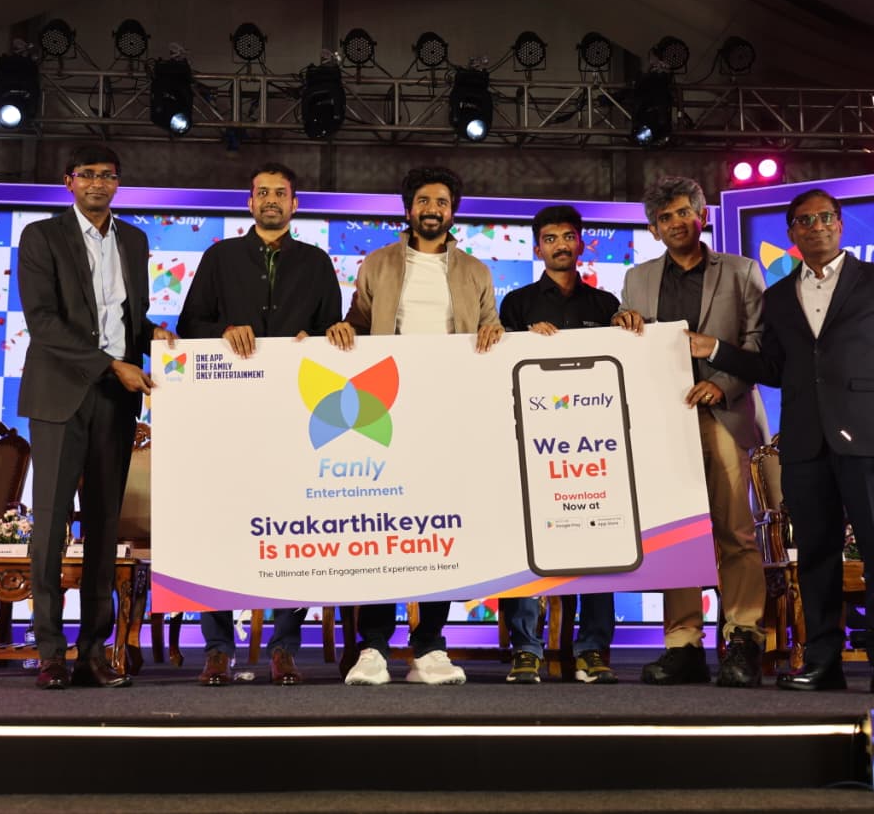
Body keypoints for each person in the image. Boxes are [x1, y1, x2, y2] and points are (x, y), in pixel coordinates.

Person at [687, 188, 874, 696]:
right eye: (804, 220)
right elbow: (774, 368)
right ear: (792, 232)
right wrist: (716, 351)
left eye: (824, 217)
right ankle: (822, 662)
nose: (816, 226)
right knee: (815, 558)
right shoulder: (777, 296)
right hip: (803, 442)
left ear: (839, 224)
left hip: (870, 437)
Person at [326, 166, 503, 686]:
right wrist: (343, 328)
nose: (432, 209)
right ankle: (375, 647)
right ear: (409, 209)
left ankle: (430, 647)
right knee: (383, 523)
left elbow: (491, 326)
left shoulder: (476, 270)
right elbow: (359, 321)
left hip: (450, 411)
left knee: (443, 525)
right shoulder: (378, 262)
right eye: (423, 200)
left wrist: (496, 333)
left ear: (453, 211)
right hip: (386, 408)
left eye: (442, 201)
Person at [18, 144, 177, 690]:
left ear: (118, 183)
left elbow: (128, 316)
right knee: (51, 525)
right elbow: (43, 321)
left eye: (107, 176)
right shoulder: (41, 236)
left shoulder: (133, 239)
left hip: (115, 400)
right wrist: (112, 364)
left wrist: (155, 336)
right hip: (60, 396)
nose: (97, 184)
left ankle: (92, 652)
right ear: (69, 182)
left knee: (105, 526)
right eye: (86, 175)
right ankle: (49, 653)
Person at [177, 162, 341, 686]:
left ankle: (285, 648)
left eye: (281, 192)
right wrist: (224, 331)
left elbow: (333, 333)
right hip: (226, 414)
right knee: (218, 528)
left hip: (297, 415)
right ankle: (217, 649)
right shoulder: (220, 256)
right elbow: (189, 325)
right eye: (262, 192)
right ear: (249, 203)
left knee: (296, 529)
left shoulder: (316, 262)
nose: (271, 199)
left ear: (295, 204)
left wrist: (320, 339)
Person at [613, 176, 770, 688]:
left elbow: (760, 345)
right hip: (665, 419)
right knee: (676, 534)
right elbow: (630, 342)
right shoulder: (637, 277)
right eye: (666, 217)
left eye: (685, 212)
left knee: (735, 533)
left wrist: (722, 385)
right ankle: (682, 644)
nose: (677, 223)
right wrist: (621, 323)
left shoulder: (742, 271)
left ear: (702, 216)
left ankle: (743, 637)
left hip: (725, 414)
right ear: (653, 230)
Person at [497, 204, 621, 685]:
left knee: (601, 540)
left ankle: (592, 650)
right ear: (537, 248)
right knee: (524, 544)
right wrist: (523, 342)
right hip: (532, 441)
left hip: (593, 446)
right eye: (550, 239)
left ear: (581, 243)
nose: (560, 245)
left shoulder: (606, 305)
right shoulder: (517, 304)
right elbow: (499, 367)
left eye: (568, 236)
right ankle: (525, 650)